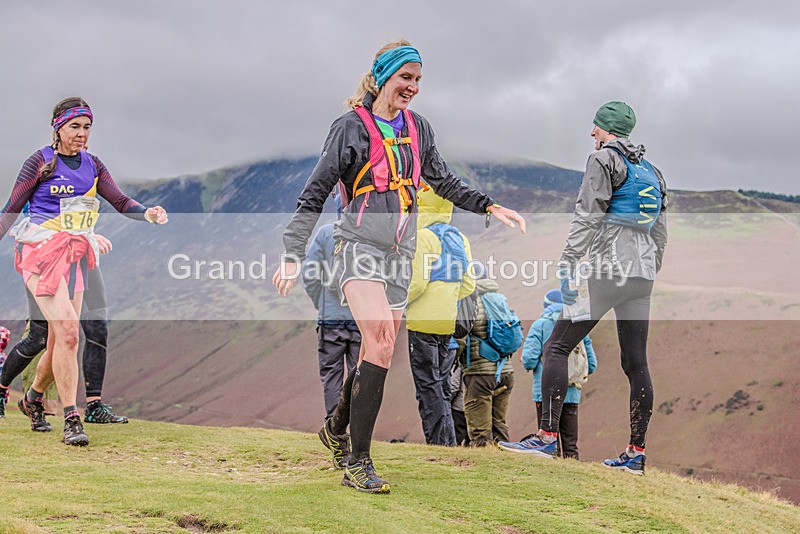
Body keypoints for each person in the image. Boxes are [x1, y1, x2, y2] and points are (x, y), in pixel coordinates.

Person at [273, 41, 525, 493]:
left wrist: (489, 205)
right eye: (406, 77)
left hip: (400, 253)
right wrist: (293, 253)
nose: (413, 87)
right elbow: (314, 193)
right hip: (357, 247)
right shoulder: (349, 128)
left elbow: (442, 180)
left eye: (418, 80)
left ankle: (335, 428)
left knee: (377, 352)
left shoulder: (418, 128)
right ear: (382, 77)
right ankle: (358, 462)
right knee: (381, 342)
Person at [505, 102, 667, 475]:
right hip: (641, 277)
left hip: (607, 270)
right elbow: (660, 230)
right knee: (636, 362)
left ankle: (546, 438)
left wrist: (568, 262)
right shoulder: (653, 172)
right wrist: (649, 269)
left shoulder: (603, 160)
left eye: (596, 126)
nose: (592, 132)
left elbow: (588, 214)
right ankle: (635, 454)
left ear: (607, 128)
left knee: (556, 346)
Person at [0, 96, 168, 445]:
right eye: (75, 126)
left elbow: (120, 201)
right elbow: (11, 209)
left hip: (76, 255)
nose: (81, 133)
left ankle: (32, 398)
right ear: (58, 127)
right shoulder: (39, 162)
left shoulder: (93, 165)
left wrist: (147, 213)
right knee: (67, 333)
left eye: (87, 127)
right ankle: (72, 419)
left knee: (61, 340)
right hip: (39, 255)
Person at [4, 269, 127, 424]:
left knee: (89, 332)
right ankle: (5, 391)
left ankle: (90, 407)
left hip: (80, 264)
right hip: (43, 265)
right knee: (39, 339)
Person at [406, 187, 475, 446]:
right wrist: (447, 296)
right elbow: (468, 285)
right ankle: (449, 442)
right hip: (447, 322)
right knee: (442, 385)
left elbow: (416, 284)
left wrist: (398, 301)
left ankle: (438, 443)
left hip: (422, 320)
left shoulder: (422, 237)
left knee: (427, 384)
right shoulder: (460, 239)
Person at [499, 289, 597, 459]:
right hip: (572, 393)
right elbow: (592, 364)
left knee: (548, 440)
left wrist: (528, 361)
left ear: (546, 305)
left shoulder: (540, 325)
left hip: (544, 393)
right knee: (570, 444)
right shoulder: (577, 327)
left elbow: (529, 360)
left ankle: (552, 471)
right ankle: (573, 472)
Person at [302, 208, 361, 441]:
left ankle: (336, 436)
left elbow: (310, 274)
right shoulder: (371, 236)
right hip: (361, 319)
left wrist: (322, 302)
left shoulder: (326, 233)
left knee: (332, 377)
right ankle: (359, 435)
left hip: (331, 320)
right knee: (361, 376)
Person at [456, 266, 515, 447]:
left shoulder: (470, 301)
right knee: (499, 424)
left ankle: (484, 460)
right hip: (506, 371)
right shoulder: (501, 300)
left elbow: (461, 336)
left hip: (480, 373)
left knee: (480, 431)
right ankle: (506, 458)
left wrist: (452, 361)